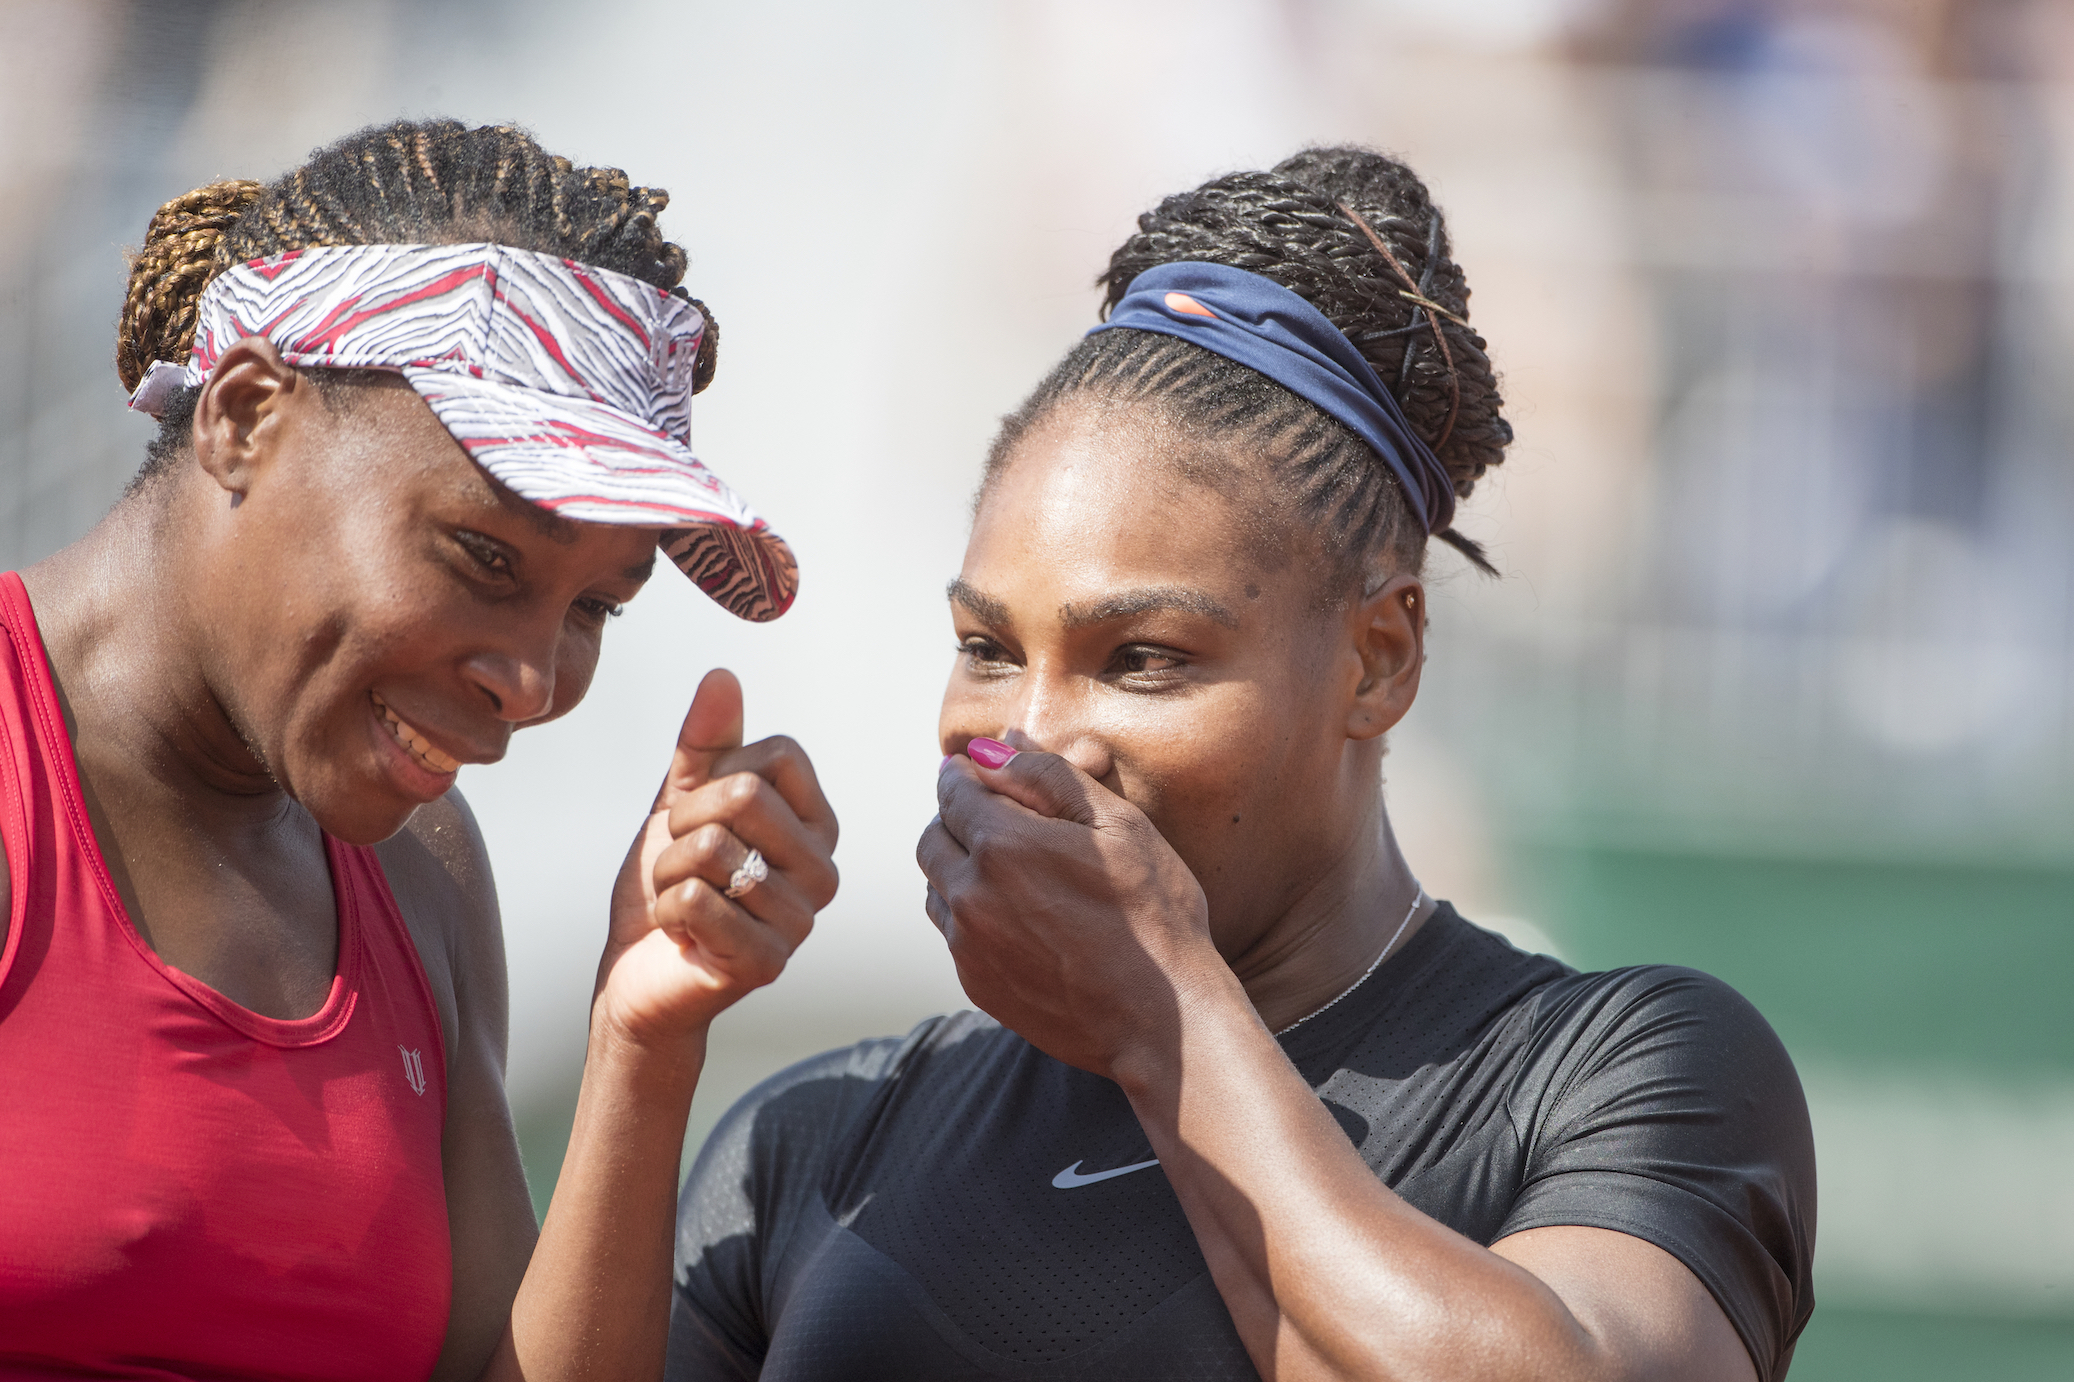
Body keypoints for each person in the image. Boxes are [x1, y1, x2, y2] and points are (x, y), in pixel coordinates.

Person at [668, 148, 1815, 1382]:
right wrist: (642, 1039)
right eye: (987, 648)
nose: (1037, 734)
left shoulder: (1615, 1068)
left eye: (1144, 657)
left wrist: (1161, 1014)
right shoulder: (819, 1135)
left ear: (1377, 659)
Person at [0, 120, 838, 1381]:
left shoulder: (420, 866)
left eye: (595, 607)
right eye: (483, 556)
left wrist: (641, 1042)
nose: (533, 677)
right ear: (244, 418)